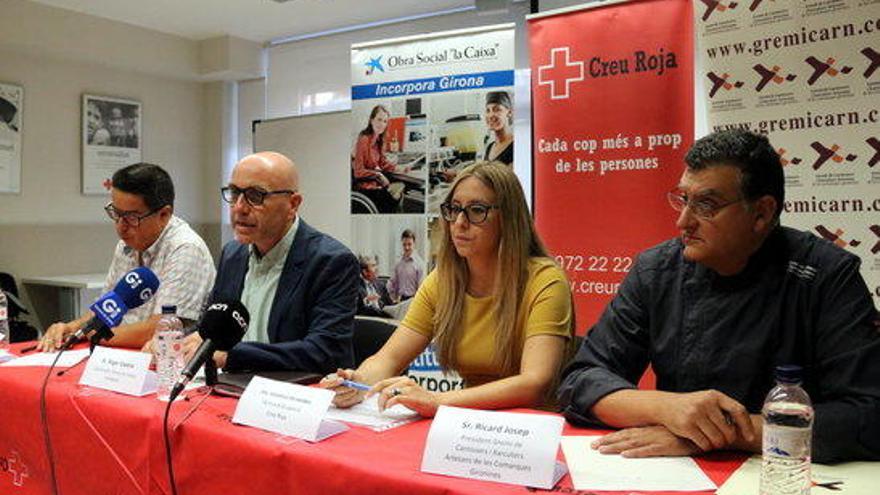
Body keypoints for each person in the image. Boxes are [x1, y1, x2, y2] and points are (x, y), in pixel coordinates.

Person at [558, 129, 880, 463]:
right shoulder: (655, 271)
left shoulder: (825, 276)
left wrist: (724, 433)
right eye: (684, 200)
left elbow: (868, 414)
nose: (684, 221)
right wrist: (666, 408)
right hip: (678, 469)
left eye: (706, 206)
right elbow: (580, 382)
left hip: (784, 471)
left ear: (761, 214)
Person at [322, 161, 574, 416]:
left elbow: (534, 383)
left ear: (509, 219)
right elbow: (388, 358)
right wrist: (356, 381)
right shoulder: (444, 280)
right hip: (465, 424)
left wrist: (437, 400)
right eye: (454, 209)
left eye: (476, 211)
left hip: (531, 429)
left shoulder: (545, 281)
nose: (459, 223)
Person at [186, 151, 359, 372]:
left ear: (293, 204)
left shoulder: (332, 262)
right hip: (232, 385)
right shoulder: (232, 254)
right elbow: (212, 326)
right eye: (235, 192)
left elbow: (324, 351)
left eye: (255, 196)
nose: (239, 207)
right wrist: (178, 340)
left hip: (293, 396)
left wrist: (231, 357)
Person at [38, 163, 215, 351]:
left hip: (166, 364)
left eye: (131, 217)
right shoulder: (127, 244)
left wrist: (95, 335)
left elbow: (159, 329)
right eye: (116, 213)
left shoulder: (185, 248)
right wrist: (72, 328)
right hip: (123, 355)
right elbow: (107, 308)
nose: (121, 226)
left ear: (164, 214)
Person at [351, 105, 405, 213]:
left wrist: (398, 168)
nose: (382, 124)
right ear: (371, 120)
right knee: (394, 200)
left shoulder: (379, 140)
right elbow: (358, 172)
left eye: (385, 121)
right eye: (379, 120)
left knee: (400, 191)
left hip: (376, 185)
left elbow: (382, 163)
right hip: (365, 188)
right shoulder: (364, 139)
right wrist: (378, 175)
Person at [386, 229, 424, 303]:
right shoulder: (398, 262)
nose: (406, 247)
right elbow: (393, 283)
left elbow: (421, 287)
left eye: (409, 244)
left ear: (414, 244)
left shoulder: (420, 263)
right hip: (400, 300)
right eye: (404, 244)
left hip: (414, 300)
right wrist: (393, 298)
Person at [482, 91, 513, 165]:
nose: (491, 115)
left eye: (497, 109)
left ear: (509, 113)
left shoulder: (515, 145)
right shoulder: (490, 147)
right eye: (488, 110)